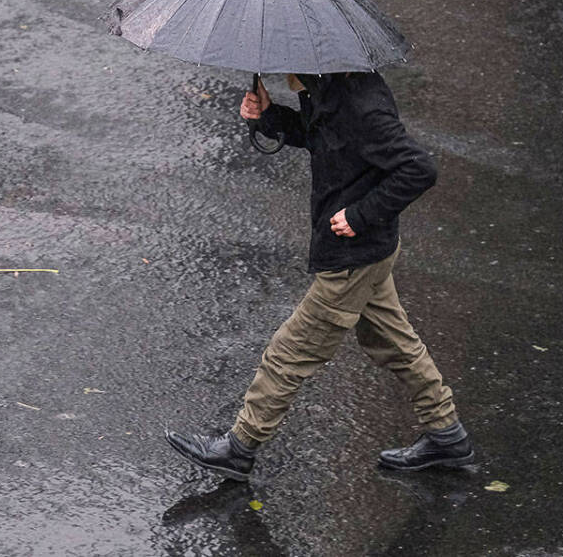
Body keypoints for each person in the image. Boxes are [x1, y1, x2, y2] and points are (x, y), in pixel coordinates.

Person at [165, 72, 473, 482]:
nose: (280, 69)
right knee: (395, 343)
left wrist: (361, 215)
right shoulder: (330, 88)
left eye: (283, 62)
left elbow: (419, 168)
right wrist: (269, 116)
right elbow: (321, 139)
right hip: (367, 252)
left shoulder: (361, 105)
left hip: (352, 257)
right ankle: (447, 436)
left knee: (288, 353)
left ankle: (239, 448)